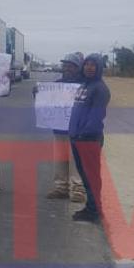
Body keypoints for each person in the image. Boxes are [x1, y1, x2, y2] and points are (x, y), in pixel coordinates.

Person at [67, 54, 112, 222]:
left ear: (99, 68)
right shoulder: (85, 85)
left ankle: (94, 211)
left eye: (94, 65)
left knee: (91, 175)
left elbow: (96, 116)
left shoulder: (100, 89)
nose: (89, 67)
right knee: (85, 175)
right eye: (87, 64)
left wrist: (83, 134)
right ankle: (91, 207)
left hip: (89, 139)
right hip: (78, 138)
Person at [48, 53, 87, 202]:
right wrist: (38, 95)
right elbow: (46, 103)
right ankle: (61, 188)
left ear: (78, 68)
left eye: (71, 66)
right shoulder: (56, 84)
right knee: (59, 159)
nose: (67, 68)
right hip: (59, 129)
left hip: (77, 130)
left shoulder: (85, 86)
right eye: (65, 65)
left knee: (76, 160)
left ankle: (77, 190)